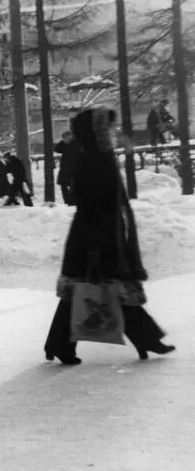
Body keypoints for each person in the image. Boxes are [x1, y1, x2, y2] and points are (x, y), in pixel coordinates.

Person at [44, 107, 175, 364]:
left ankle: (60, 344)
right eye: (108, 128)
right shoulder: (92, 158)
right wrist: (95, 244)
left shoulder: (98, 155)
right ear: (97, 133)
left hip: (101, 234)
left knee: (92, 291)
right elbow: (90, 202)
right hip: (96, 237)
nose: (113, 132)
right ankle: (147, 339)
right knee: (105, 289)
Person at [55, 129, 78, 206]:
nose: (64, 139)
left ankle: (72, 201)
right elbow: (57, 149)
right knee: (63, 185)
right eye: (63, 138)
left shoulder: (74, 144)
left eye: (66, 137)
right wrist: (63, 142)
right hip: (64, 169)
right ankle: (67, 201)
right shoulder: (64, 145)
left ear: (70, 137)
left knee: (73, 186)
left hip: (74, 169)